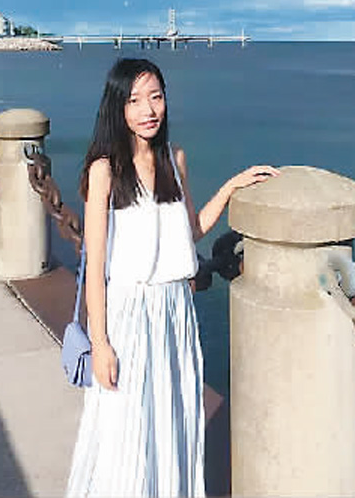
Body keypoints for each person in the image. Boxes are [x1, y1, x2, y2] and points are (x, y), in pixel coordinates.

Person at [66, 58, 279, 497]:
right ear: (117, 107)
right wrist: (100, 344)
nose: (148, 110)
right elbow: (96, 266)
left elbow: (190, 231)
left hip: (174, 310)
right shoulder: (105, 169)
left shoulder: (173, 158)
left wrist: (232, 186)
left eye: (156, 97)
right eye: (134, 100)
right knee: (127, 426)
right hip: (128, 313)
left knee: (171, 417)